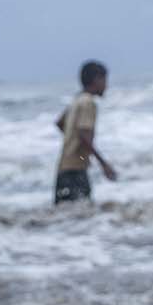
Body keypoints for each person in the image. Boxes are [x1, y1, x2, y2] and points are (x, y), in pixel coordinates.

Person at [54, 60, 116, 203]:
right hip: (76, 169)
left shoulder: (77, 100)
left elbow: (60, 123)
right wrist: (104, 164)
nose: (106, 85)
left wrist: (71, 140)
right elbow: (83, 135)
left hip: (64, 167)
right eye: (104, 80)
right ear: (96, 80)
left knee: (66, 216)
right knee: (81, 210)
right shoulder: (88, 102)